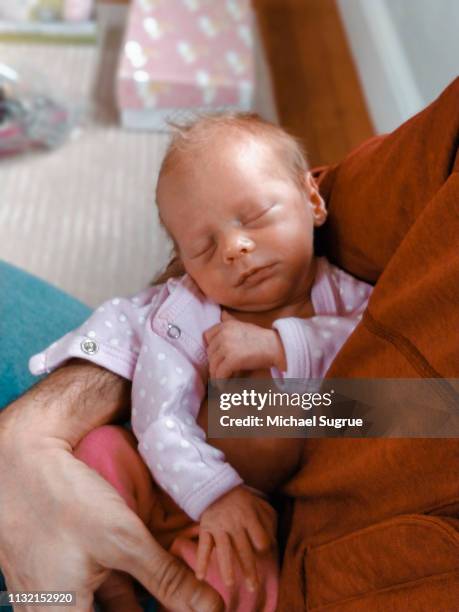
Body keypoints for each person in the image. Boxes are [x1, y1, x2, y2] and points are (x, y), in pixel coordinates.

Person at [25, 114, 373, 611]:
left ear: (312, 200)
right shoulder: (188, 316)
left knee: (249, 583)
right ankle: (114, 586)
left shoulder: (344, 298)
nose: (235, 248)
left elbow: (374, 358)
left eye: (254, 216)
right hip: (166, 484)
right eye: (203, 248)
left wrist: (281, 345)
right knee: (100, 449)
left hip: (248, 514)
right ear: (184, 264)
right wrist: (214, 494)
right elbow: (158, 416)